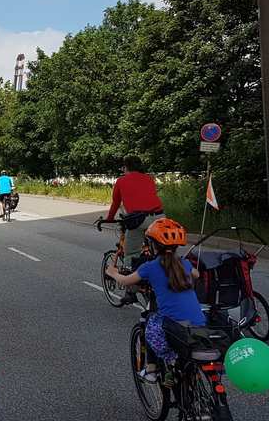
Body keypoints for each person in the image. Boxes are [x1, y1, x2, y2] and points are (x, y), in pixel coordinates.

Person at [106, 218, 204, 387]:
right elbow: (197, 275)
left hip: (175, 327)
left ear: (152, 245)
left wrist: (113, 272)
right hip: (199, 324)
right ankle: (185, 371)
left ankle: (152, 370)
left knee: (150, 321)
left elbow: (126, 281)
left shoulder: (150, 267)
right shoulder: (184, 264)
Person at [106, 155, 164, 303]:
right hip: (160, 217)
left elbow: (115, 203)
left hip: (139, 220)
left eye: (123, 167)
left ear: (126, 167)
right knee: (160, 251)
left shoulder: (121, 181)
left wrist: (110, 218)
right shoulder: (149, 178)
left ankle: (130, 292)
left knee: (131, 254)